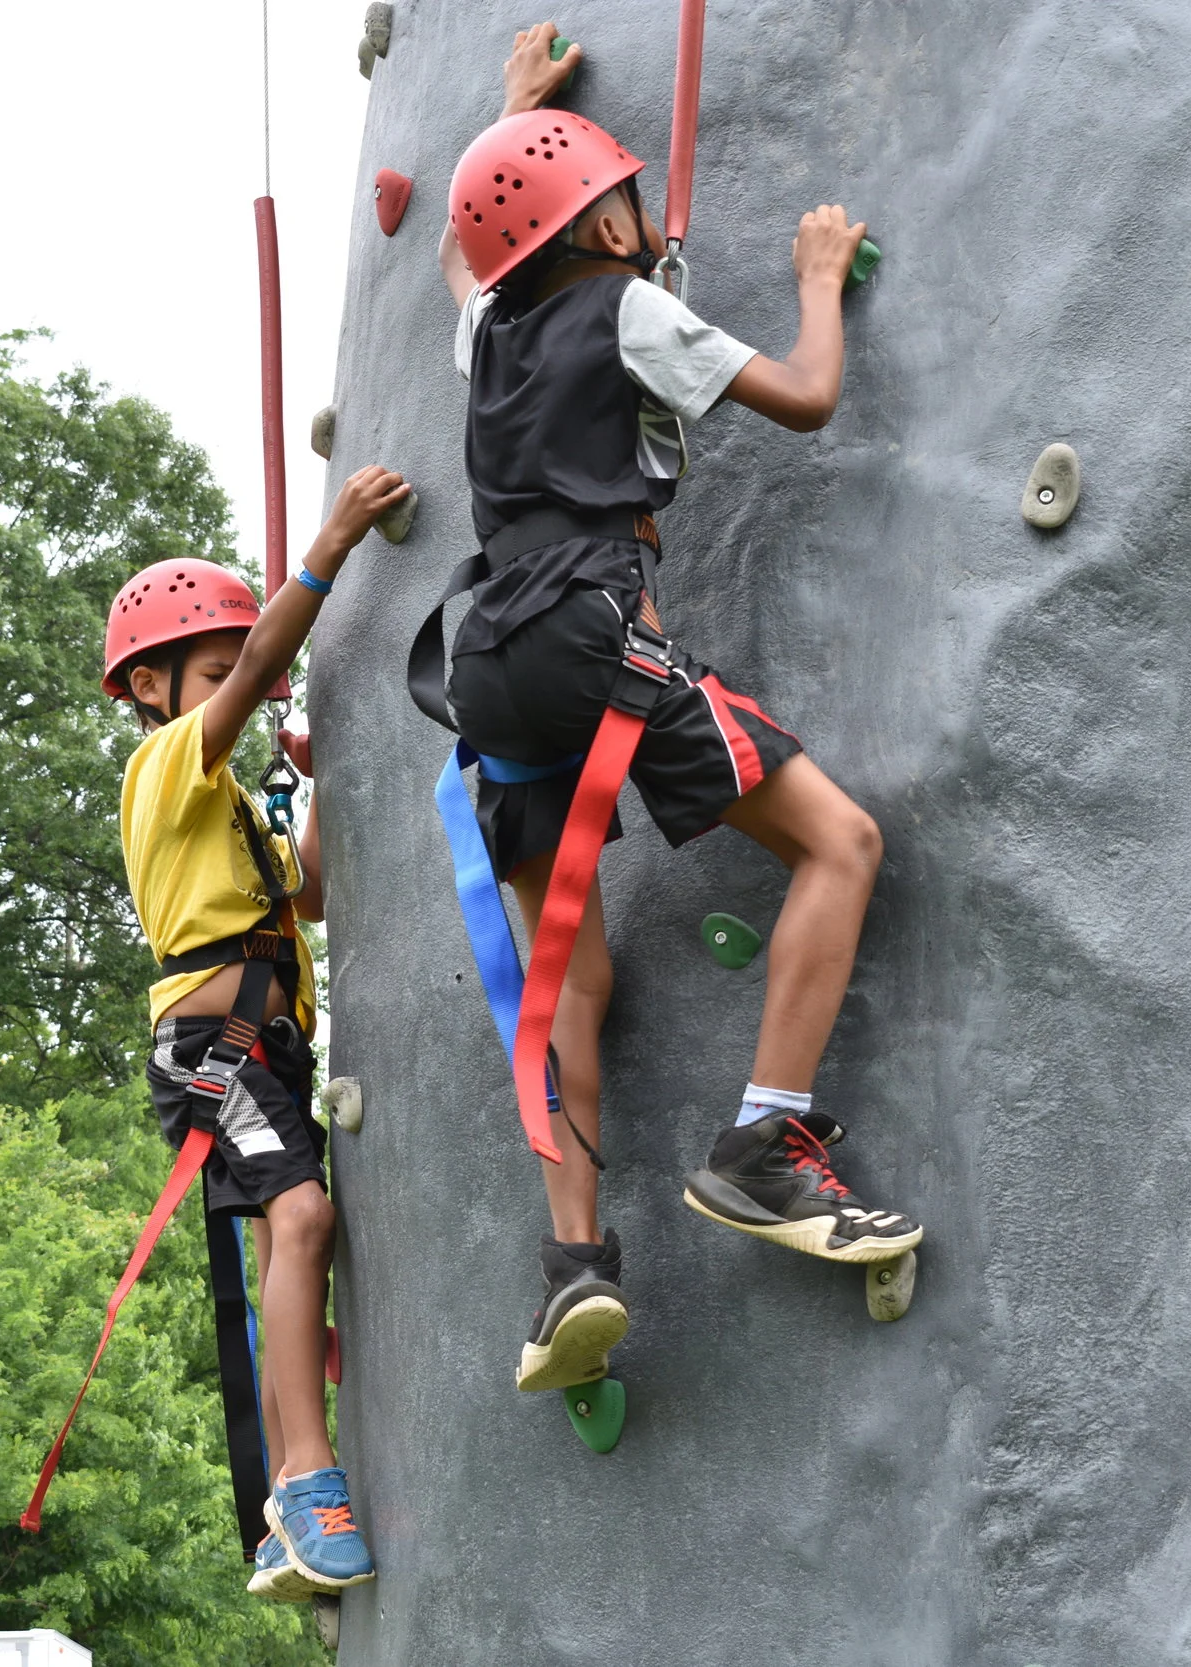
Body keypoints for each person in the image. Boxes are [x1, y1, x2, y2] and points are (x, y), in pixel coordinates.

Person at [430, 25, 920, 1397]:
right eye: (626, 200)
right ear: (602, 224)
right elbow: (806, 397)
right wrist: (815, 279)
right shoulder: (625, 308)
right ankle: (765, 1142)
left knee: (568, 975)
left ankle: (572, 1265)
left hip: (488, 659)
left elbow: (463, 263)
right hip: (592, 631)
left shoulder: (489, 334)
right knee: (841, 843)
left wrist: (507, 111)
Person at [109, 464, 409, 1600]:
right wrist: (330, 546)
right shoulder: (165, 766)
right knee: (303, 1216)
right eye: (215, 670)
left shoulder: (229, 802)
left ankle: (292, 1492)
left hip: (261, 1050)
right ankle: (306, 1477)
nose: (237, 688)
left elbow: (312, 893)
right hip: (214, 1049)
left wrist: (326, 780)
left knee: (299, 1242)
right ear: (151, 686)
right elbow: (249, 684)